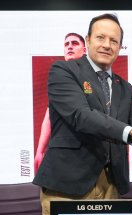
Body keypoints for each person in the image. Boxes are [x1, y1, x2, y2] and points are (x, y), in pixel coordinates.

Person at [33, 13, 132, 215]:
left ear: (120, 46)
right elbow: (81, 116)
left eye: (114, 41)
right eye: (100, 38)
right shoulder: (63, 71)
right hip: (66, 185)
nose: (107, 45)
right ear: (87, 41)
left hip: (110, 186)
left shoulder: (124, 87)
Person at [34, 32, 87, 173]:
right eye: (66, 44)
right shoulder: (58, 76)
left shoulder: (93, 75)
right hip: (61, 150)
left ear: (85, 49)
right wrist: (40, 150)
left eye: (74, 43)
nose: (69, 47)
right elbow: (49, 116)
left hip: (88, 150)